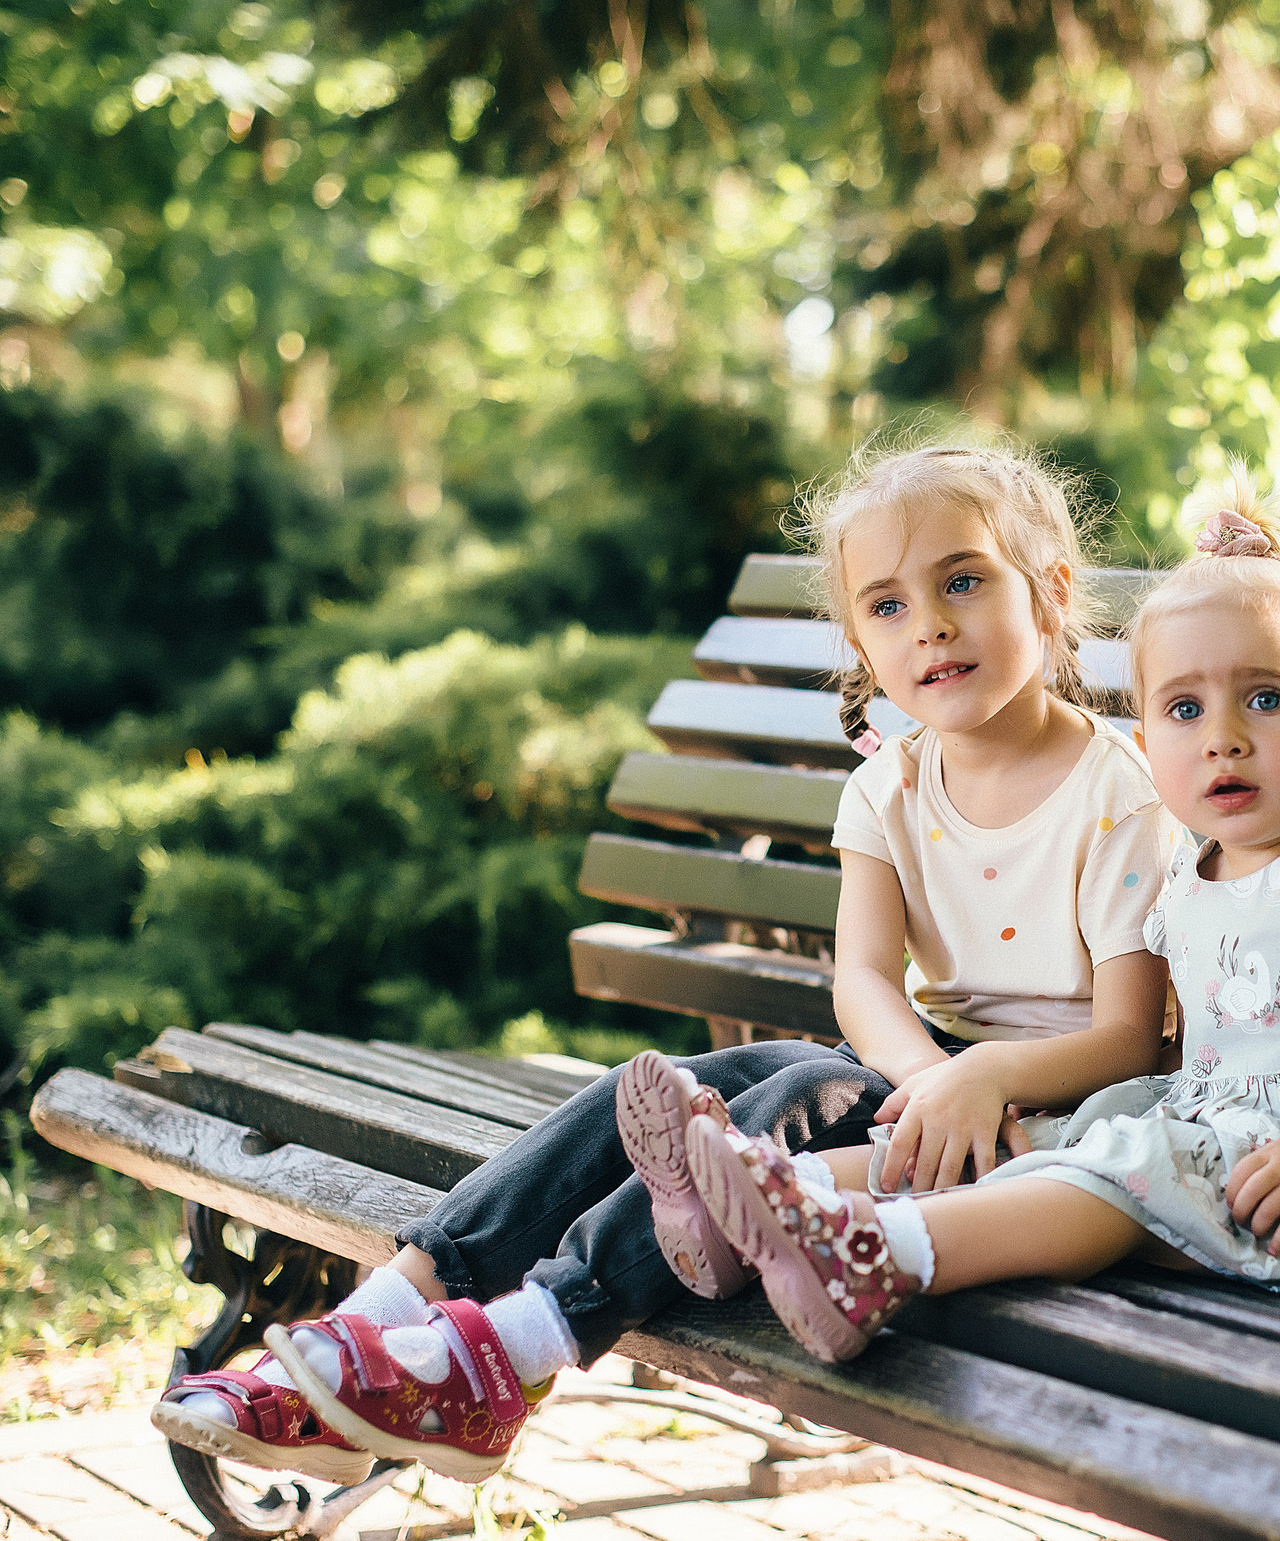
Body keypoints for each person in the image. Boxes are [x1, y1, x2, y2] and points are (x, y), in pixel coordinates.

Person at [152, 439, 1176, 1481]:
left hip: (1048, 1119)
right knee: (697, 1089)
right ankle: (368, 1329)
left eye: (962, 580)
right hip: (929, 1076)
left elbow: (1130, 1036)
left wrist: (972, 1078)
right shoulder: (889, 784)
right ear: (861, 642)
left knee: (775, 1112)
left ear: (1049, 595)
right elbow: (863, 978)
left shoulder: (1118, 791)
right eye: (888, 605)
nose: (932, 624)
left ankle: (509, 1354)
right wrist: (929, 1075)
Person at [664, 481, 1280, 1363]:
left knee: (1109, 1172)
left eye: (1266, 697)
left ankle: (882, 1255)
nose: (1224, 735)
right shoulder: (1187, 868)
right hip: (1210, 1137)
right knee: (1054, 1149)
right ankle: (766, 1203)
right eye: (1182, 707)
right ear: (1148, 738)